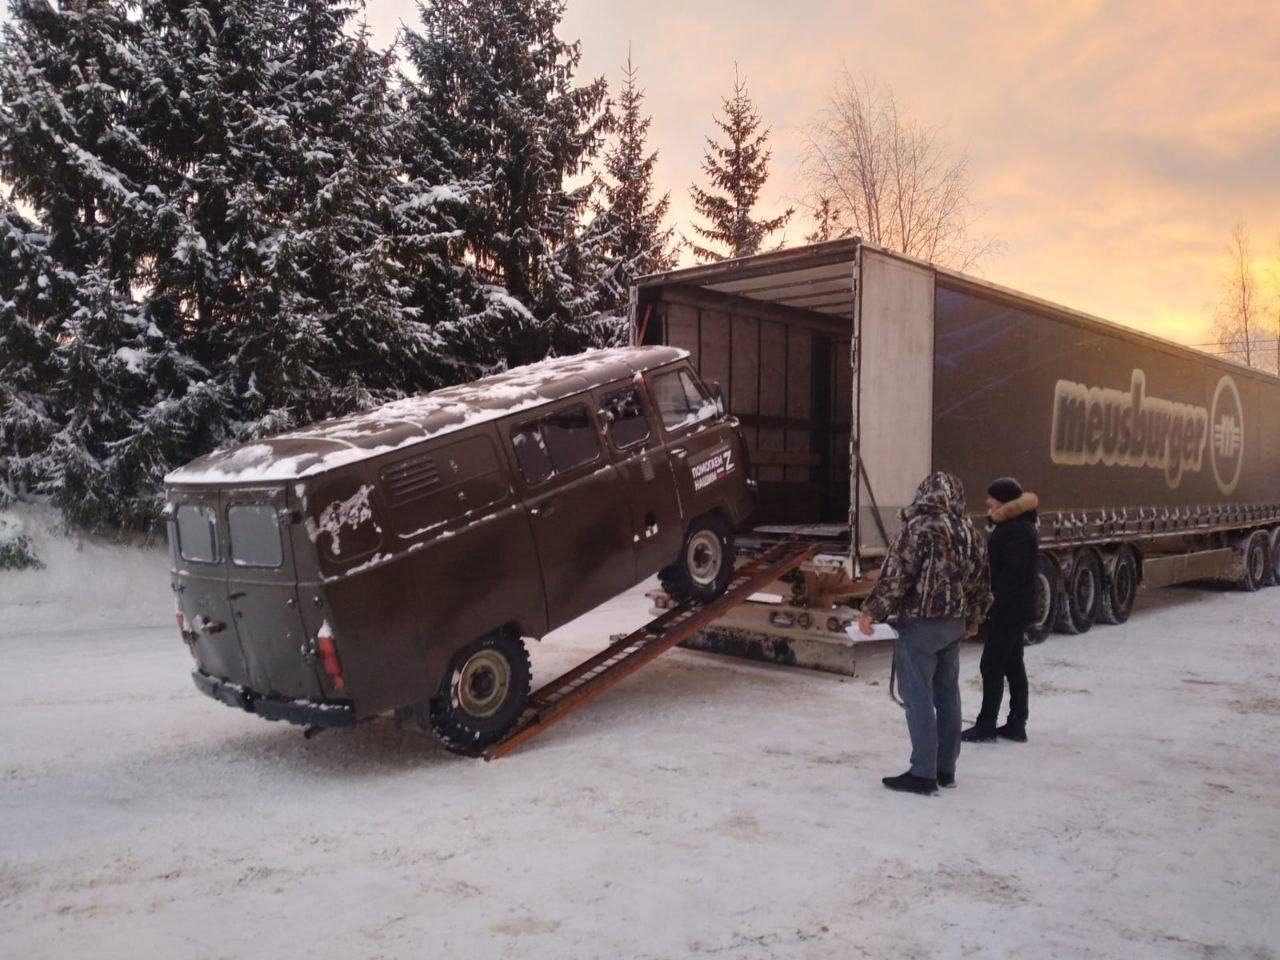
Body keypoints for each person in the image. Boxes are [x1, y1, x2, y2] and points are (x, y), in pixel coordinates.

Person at [858, 471, 991, 796]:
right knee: (948, 694)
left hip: (921, 624)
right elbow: (980, 581)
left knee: (917, 698)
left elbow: (896, 576)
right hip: (953, 623)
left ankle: (922, 773)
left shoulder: (918, 529)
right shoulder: (969, 533)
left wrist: (871, 611)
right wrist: (974, 618)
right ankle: (946, 769)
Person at [962, 478, 1039, 744]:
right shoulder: (1018, 526)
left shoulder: (1014, 530)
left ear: (1004, 500)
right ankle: (1017, 723)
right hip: (1014, 608)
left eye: (992, 497)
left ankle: (986, 725)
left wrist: (991, 606)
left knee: (992, 665)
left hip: (1007, 610)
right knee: (1012, 664)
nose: (987, 502)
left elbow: (1009, 577)